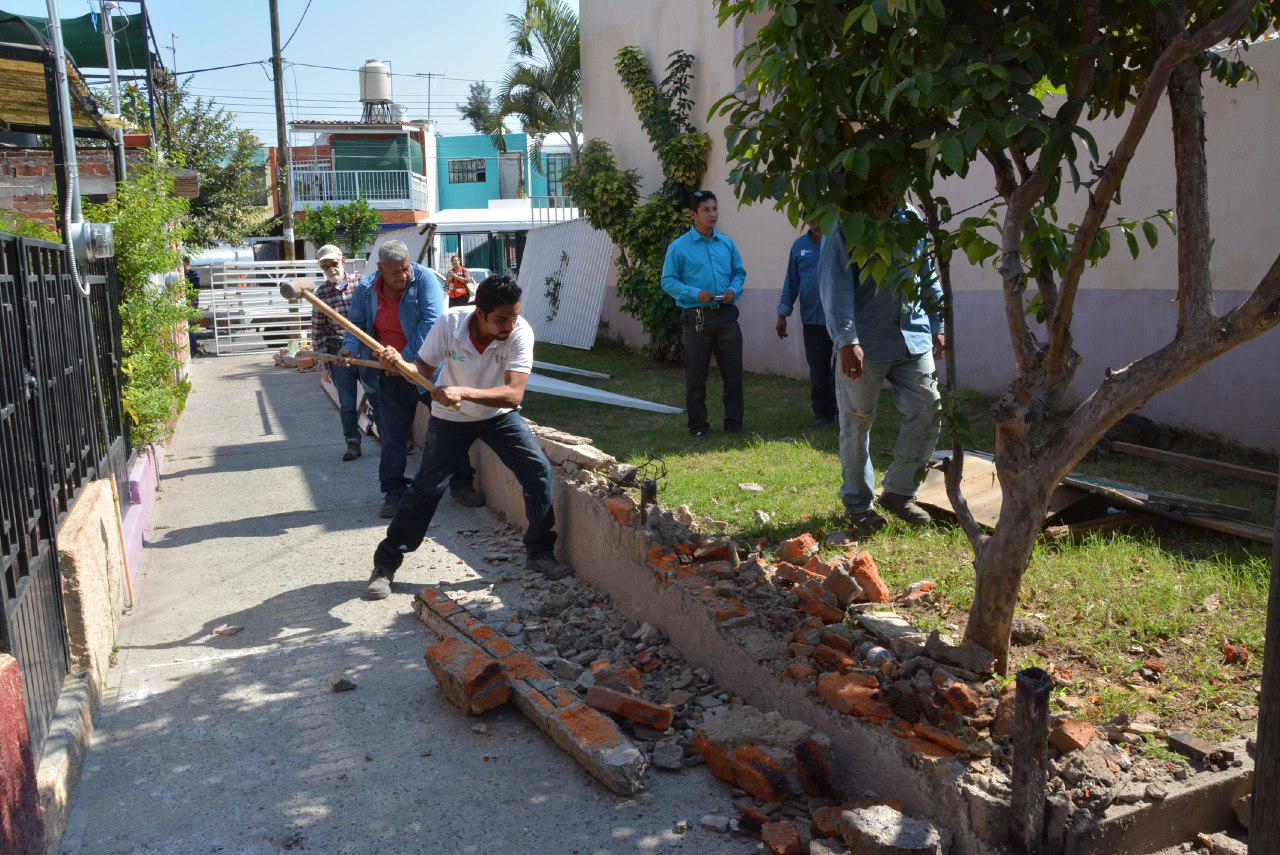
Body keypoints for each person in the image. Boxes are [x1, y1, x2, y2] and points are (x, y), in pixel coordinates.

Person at [363, 275, 570, 600]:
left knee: (538, 473)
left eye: (514, 316)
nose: (510, 325)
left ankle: (539, 552)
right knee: (426, 488)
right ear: (480, 314)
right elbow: (423, 369)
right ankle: (386, 563)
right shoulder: (451, 323)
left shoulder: (519, 333)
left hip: (498, 416)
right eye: (502, 319)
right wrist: (398, 364)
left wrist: (463, 391)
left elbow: (513, 395)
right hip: (451, 419)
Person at [818, 205, 944, 531]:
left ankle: (899, 492)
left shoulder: (912, 216)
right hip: (864, 342)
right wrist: (846, 339)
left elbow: (927, 271)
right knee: (857, 423)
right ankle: (858, 504)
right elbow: (836, 284)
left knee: (929, 409)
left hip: (913, 336)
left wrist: (937, 321)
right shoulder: (847, 220)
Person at [340, 240, 485, 517]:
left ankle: (461, 484)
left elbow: (431, 324)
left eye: (405, 268)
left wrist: (407, 362)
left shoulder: (425, 280)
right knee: (392, 435)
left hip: (429, 368)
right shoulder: (366, 289)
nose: (403, 275)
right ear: (381, 269)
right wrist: (349, 348)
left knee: (449, 428)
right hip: (391, 373)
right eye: (395, 272)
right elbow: (355, 325)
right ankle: (394, 493)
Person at [660, 189, 746, 438]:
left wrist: (733, 289)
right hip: (696, 318)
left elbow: (739, 273)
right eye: (706, 210)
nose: (712, 214)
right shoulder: (679, 247)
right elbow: (668, 281)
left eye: (715, 209)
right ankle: (698, 426)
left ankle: (734, 423)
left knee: (733, 373)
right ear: (693, 214)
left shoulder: (727, 243)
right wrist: (695, 293)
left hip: (727, 315)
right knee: (697, 375)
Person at [312, 244, 369, 461]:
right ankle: (353, 443)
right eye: (325, 266)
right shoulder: (321, 294)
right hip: (339, 353)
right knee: (347, 402)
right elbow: (318, 332)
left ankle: (392, 438)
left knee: (376, 394)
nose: (330, 269)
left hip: (365, 349)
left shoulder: (362, 283)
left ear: (343, 261)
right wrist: (324, 367)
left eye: (333, 264)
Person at [776, 223, 837, 426]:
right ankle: (823, 413)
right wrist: (782, 314)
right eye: (811, 218)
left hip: (840, 320)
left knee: (842, 372)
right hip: (812, 319)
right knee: (818, 370)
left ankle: (844, 411)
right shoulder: (799, 246)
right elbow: (791, 281)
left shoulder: (839, 241)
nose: (816, 223)